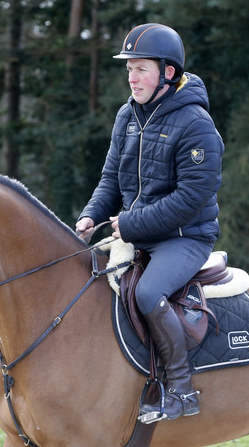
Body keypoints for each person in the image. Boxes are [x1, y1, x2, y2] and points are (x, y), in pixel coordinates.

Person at [76, 23, 224, 422]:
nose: (132, 77)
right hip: (135, 231)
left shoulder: (196, 124)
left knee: (147, 293)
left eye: (141, 68)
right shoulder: (127, 115)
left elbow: (189, 200)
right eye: (129, 69)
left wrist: (132, 225)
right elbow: (111, 178)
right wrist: (91, 214)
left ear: (168, 73)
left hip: (185, 238)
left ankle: (180, 389)